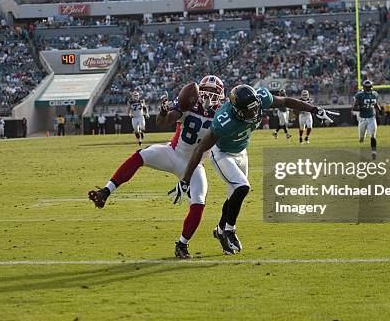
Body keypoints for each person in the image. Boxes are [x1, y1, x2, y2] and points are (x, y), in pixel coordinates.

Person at [177, 85, 338, 255]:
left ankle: (220, 230)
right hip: (222, 153)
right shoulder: (224, 120)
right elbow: (200, 148)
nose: (254, 113)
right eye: (249, 111)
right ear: (237, 110)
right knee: (242, 186)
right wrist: (186, 178)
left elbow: (286, 101)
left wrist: (314, 109)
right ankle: (230, 230)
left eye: (255, 108)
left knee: (234, 196)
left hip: (241, 151)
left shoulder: (260, 98)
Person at [88, 76, 226, 259]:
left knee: (199, 202)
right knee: (140, 156)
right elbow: (163, 123)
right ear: (198, 93)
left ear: (221, 95)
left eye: (214, 93)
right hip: (173, 153)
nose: (209, 96)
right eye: (205, 92)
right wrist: (162, 112)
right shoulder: (189, 105)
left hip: (195, 165)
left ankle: (182, 245)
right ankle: (106, 191)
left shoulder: (222, 114)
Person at [353, 80, 381, 160]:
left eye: (369, 87)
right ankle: (362, 137)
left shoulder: (375, 94)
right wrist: (362, 108)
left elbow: (375, 104)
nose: (368, 89)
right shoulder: (360, 95)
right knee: (361, 139)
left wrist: (379, 110)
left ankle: (374, 152)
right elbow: (354, 107)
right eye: (366, 87)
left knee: (372, 135)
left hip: (371, 118)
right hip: (362, 119)